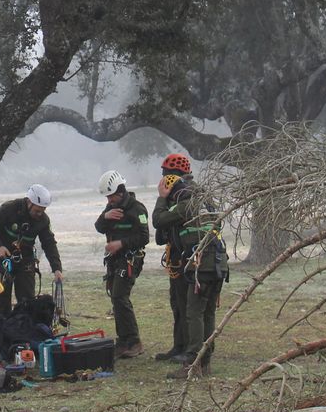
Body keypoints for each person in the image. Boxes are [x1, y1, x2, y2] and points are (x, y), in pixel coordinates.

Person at [152, 153, 229, 376]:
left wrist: (162, 198)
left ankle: (194, 362)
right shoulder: (203, 199)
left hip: (202, 264)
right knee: (206, 312)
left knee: (194, 311)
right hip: (218, 262)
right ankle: (205, 362)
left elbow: (159, 220)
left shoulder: (186, 201)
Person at [0, 184, 63, 316]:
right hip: (3, 259)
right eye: (37, 211)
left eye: (43, 210)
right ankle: (2, 332)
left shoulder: (43, 220)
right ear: (29, 202)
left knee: (27, 303)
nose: (40, 214)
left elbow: (49, 243)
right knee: (1, 305)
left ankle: (24, 332)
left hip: (25, 260)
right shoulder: (9, 209)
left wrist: (57, 268)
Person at [94, 170, 148, 358]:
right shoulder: (109, 208)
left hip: (131, 259)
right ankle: (124, 341)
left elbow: (144, 237)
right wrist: (105, 217)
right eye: (107, 197)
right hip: (115, 261)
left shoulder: (137, 209)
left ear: (120, 192)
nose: (109, 200)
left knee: (120, 296)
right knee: (116, 298)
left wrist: (120, 243)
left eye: (111, 196)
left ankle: (134, 341)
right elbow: (99, 227)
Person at [151, 153, 194, 362]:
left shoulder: (188, 195)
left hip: (188, 258)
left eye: (166, 174)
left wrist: (161, 197)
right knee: (177, 303)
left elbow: (159, 220)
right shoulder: (177, 195)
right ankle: (179, 346)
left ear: (176, 175)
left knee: (186, 304)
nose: (163, 177)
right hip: (176, 257)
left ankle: (189, 349)